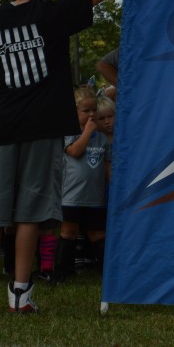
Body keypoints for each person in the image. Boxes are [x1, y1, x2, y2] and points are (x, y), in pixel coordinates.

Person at [0, 0, 138, 314]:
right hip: (43, 128)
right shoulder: (54, 13)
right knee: (29, 213)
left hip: (4, 125)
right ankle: (21, 293)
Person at [51, 88, 112, 284]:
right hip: (71, 196)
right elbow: (75, 152)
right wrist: (87, 131)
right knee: (68, 232)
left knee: (97, 234)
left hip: (95, 197)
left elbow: (108, 167)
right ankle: (62, 273)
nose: (92, 114)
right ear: (74, 112)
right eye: (86, 111)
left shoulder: (102, 138)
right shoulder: (69, 133)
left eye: (94, 110)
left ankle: (106, 273)